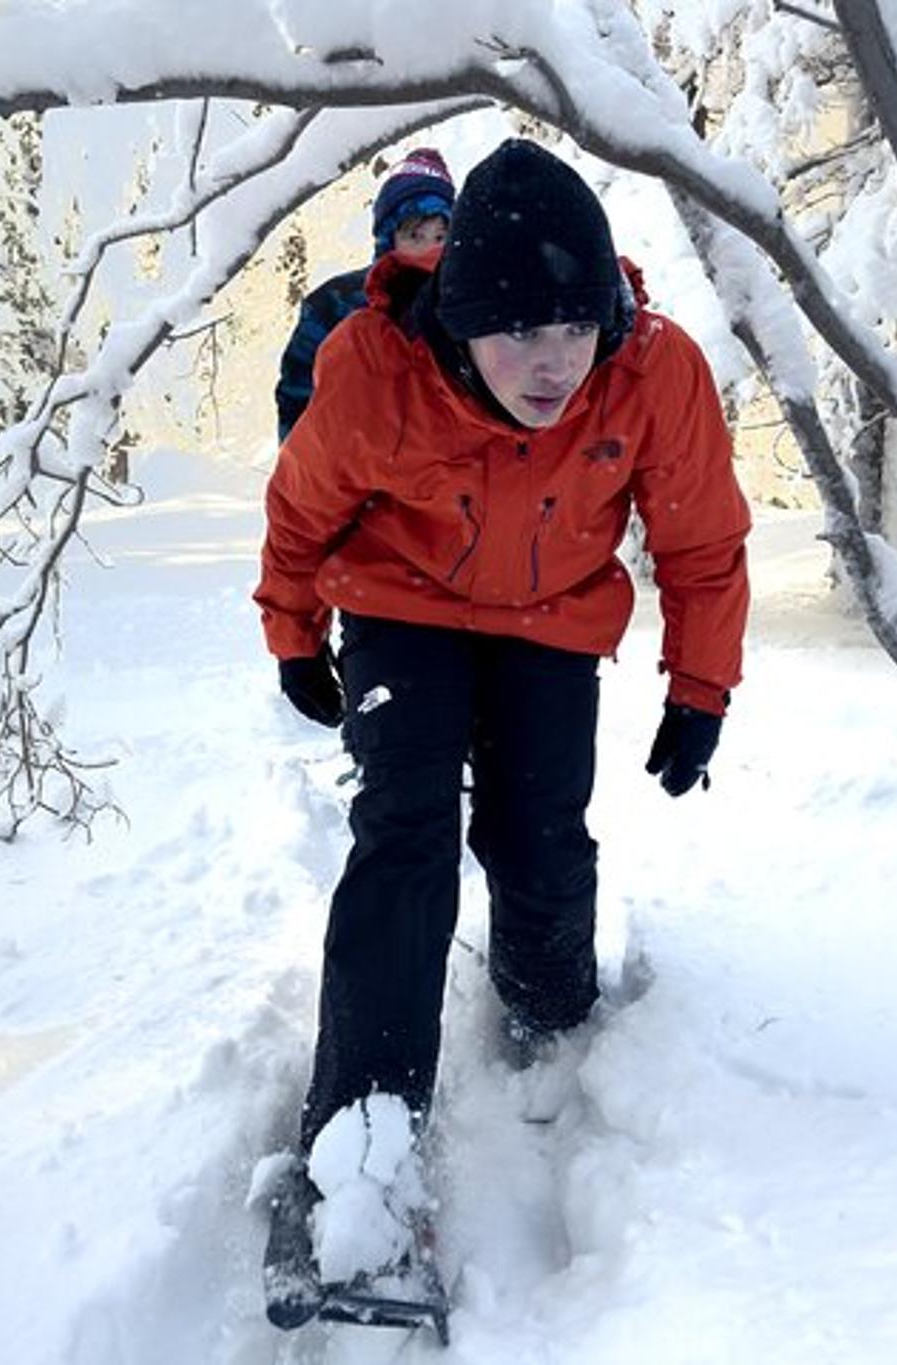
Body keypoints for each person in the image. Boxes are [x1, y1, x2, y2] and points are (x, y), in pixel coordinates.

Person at [255, 137, 750, 1252]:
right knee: (405, 836)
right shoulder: (374, 368)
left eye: (574, 329)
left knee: (536, 835)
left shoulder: (651, 370)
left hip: (551, 620)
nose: (551, 363)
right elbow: (299, 512)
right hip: (400, 609)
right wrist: (294, 635)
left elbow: (702, 543)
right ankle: (364, 1137)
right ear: (461, 316)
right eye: (519, 330)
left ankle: (551, 1018)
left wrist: (701, 684)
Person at [273, 147, 454, 442]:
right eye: (415, 236)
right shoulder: (334, 304)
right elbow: (298, 399)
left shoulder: (465, 305)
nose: (429, 250)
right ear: (389, 237)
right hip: (351, 471)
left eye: (440, 237)